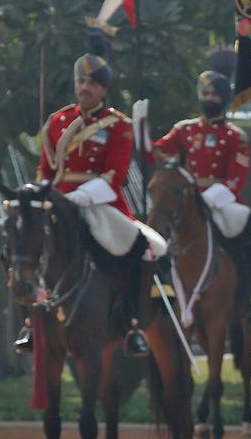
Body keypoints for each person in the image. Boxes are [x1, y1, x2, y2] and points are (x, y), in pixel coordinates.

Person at [20, 44, 163, 357]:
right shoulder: (57, 122)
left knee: (139, 248)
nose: (85, 88)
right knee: (27, 247)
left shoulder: (118, 125)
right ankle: (31, 324)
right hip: (58, 202)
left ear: (103, 89)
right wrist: (45, 197)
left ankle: (133, 323)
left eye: (92, 83)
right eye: (80, 82)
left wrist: (80, 198)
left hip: (101, 204)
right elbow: (45, 170)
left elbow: (115, 174)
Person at [144, 54, 251, 338]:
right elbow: (157, 152)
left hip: (220, 199)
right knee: (157, 235)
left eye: (214, 94)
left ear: (223, 98)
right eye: (205, 93)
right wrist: (140, 131)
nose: (209, 98)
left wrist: (209, 198)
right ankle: (156, 301)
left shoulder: (234, 135)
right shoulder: (184, 129)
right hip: (184, 199)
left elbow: (236, 177)